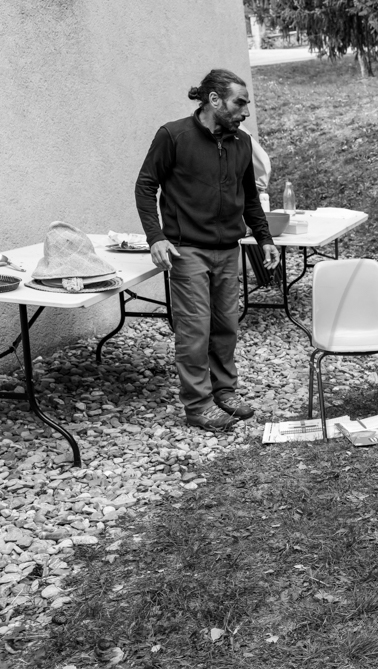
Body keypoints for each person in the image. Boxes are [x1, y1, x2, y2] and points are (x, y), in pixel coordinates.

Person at [135, 68, 279, 433]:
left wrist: (264, 239)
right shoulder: (174, 136)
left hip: (228, 249)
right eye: (240, 103)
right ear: (214, 100)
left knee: (226, 325)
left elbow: (250, 197)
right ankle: (198, 406)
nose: (246, 111)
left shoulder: (241, 142)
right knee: (195, 330)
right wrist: (156, 238)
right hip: (187, 251)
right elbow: (145, 186)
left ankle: (224, 392)